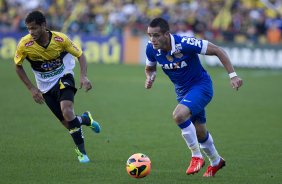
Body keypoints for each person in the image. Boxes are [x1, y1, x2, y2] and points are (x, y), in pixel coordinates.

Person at [144, 17, 243, 177]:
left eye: (156, 35)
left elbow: (218, 50)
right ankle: (216, 161)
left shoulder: (186, 43)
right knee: (200, 132)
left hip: (201, 86)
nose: (152, 39)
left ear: (167, 34)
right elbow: (150, 68)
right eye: (150, 35)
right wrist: (151, 77)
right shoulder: (151, 49)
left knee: (179, 115)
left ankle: (196, 156)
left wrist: (233, 76)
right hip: (183, 92)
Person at [14, 10, 101, 163]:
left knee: (67, 110)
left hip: (64, 76)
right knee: (69, 123)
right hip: (45, 87)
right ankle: (86, 119)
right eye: (28, 28)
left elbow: (80, 55)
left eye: (34, 28)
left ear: (43, 25)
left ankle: (82, 153)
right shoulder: (24, 44)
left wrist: (83, 76)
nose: (31, 32)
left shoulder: (60, 39)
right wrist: (32, 88)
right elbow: (18, 66)